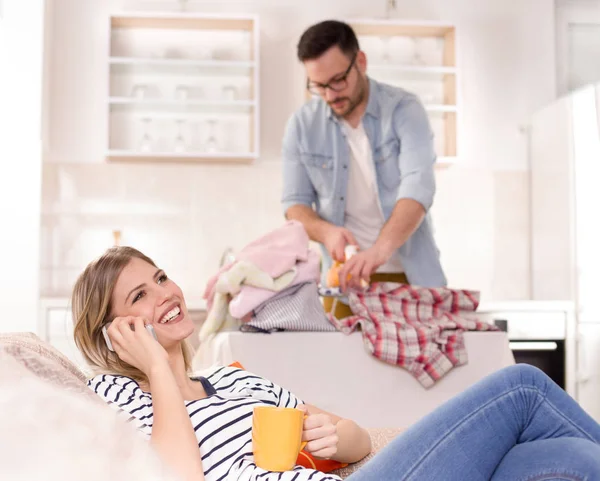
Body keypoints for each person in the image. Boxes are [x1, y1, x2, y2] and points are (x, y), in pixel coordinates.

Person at [73, 246, 600, 481]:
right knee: (522, 388)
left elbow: (356, 441)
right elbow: (179, 477)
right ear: (114, 330)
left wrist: (338, 436)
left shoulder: (237, 381)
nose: (163, 294)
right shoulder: (116, 396)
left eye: (161, 278)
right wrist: (158, 370)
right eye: (138, 296)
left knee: (571, 458)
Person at [281, 20, 446, 319]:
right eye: (319, 86)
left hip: (412, 279)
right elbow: (295, 206)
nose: (330, 95)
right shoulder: (301, 126)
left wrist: (378, 252)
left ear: (360, 61)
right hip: (344, 284)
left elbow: (418, 188)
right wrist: (327, 232)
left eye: (338, 81)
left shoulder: (404, 110)